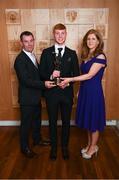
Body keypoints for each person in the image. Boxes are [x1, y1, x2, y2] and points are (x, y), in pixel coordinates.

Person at [61, 29, 107, 159]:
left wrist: (70, 79)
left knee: (94, 122)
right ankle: (89, 144)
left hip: (94, 93)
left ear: (98, 41)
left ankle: (93, 147)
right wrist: (80, 90)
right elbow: (84, 77)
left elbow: (90, 75)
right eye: (88, 39)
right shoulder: (87, 56)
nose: (90, 41)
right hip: (86, 91)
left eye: (93, 39)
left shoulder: (101, 56)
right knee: (88, 121)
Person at [39, 23, 80, 160]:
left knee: (66, 122)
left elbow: (76, 75)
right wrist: (51, 75)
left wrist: (67, 82)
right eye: (57, 33)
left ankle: (64, 147)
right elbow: (41, 73)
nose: (60, 36)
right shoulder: (46, 52)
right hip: (51, 94)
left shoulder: (72, 54)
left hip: (66, 94)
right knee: (52, 122)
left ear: (66, 34)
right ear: (53, 34)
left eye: (62, 33)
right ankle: (54, 148)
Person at [14, 31, 55, 158]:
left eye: (31, 40)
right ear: (21, 43)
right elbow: (26, 80)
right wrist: (44, 85)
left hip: (35, 97)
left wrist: (51, 76)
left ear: (34, 40)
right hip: (27, 99)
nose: (29, 44)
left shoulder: (32, 56)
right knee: (26, 124)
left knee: (36, 121)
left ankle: (37, 140)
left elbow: (37, 75)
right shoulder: (20, 60)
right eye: (26, 41)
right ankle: (24, 147)